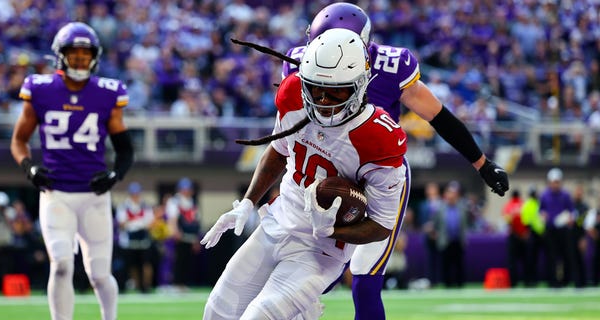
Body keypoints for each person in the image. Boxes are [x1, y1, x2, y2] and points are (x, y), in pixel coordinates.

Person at [278, 3, 509, 318]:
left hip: (379, 180)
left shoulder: (389, 69)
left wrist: (481, 163)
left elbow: (438, 116)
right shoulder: (298, 64)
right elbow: (288, 130)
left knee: (364, 279)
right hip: (328, 175)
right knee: (307, 278)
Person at [201, 29, 409, 319]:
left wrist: (331, 230)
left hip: (321, 250)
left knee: (258, 316)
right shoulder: (293, 94)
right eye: (315, 87)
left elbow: (382, 225)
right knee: (216, 312)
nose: (323, 99)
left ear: (361, 85)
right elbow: (278, 149)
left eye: (336, 90)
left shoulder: (379, 137)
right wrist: (248, 202)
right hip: (277, 223)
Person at [10, 22, 133, 320]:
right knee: (62, 264)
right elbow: (19, 140)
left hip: (93, 195)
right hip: (56, 193)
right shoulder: (40, 89)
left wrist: (115, 174)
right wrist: (29, 168)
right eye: (73, 53)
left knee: (100, 275)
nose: (79, 59)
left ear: (94, 57)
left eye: (84, 54)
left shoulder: (107, 92)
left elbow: (125, 148)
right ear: (60, 56)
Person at [115, 182, 154, 293]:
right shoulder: (124, 207)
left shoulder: (145, 206)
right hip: (128, 242)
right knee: (130, 266)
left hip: (143, 241)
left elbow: (150, 223)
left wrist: (133, 222)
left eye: (137, 194)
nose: (135, 196)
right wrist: (140, 223)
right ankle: (131, 285)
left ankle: (145, 287)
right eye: (133, 194)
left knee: (145, 264)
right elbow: (122, 224)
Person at [539, 168, 575, 288]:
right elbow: (541, 210)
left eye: (557, 182)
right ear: (550, 182)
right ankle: (552, 282)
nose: (555, 184)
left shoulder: (565, 195)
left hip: (563, 230)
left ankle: (565, 281)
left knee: (565, 256)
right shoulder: (544, 195)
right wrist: (543, 215)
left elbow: (572, 211)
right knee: (551, 257)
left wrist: (570, 218)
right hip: (550, 230)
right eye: (553, 182)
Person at [431, 181, 469, 288]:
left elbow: (465, 224)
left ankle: (460, 284)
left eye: (454, 193)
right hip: (445, 240)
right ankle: (447, 284)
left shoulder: (462, 207)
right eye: (449, 193)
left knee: (459, 264)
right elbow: (435, 223)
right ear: (446, 195)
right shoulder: (440, 208)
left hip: (458, 240)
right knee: (446, 264)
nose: (451, 196)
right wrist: (435, 234)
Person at [166, 177, 202, 290]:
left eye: (188, 189)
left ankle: (183, 283)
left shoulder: (193, 202)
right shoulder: (174, 201)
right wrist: (175, 231)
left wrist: (197, 238)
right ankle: (175, 283)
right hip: (178, 236)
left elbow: (196, 221)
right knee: (177, 260)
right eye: (184, 189)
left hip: (190, 236)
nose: (186, 191)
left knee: (187, 261)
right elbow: (172, 219)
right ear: (180, 190)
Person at [502, 189, 530, 287]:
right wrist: (525, 232)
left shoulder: (508, 206)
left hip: (513, 236)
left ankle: (513, 282)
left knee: (512, 262)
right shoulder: (523, 205)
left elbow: (507, 220)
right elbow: (527, 220)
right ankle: (527, 281)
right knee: (526, 260)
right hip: (524, 236)